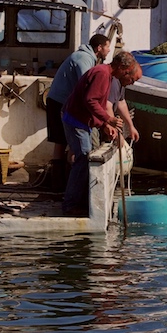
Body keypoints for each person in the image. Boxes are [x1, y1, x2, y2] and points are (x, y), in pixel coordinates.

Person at [60, 52, 142, 216]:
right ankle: (70, 205)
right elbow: (90, 100)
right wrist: (108, 119)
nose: (130, 82)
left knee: (84, 159)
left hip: (81, 121)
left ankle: (79, 201)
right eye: (131, 78)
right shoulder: (102, 74)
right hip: (76, 121)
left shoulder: (107, 75)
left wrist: (103, 124)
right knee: (83, 158)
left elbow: (92, 102)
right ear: (122, 69)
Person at [44, 34, 111, 189]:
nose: (108, 50)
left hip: (61, 101)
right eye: (107, 46)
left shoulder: (86, 57)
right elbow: (88, 86)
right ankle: (62, 183)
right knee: (62, 140)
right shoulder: (83, 59)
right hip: (59, 102)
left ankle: (61, 183)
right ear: (99, 48)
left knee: (62, 141)